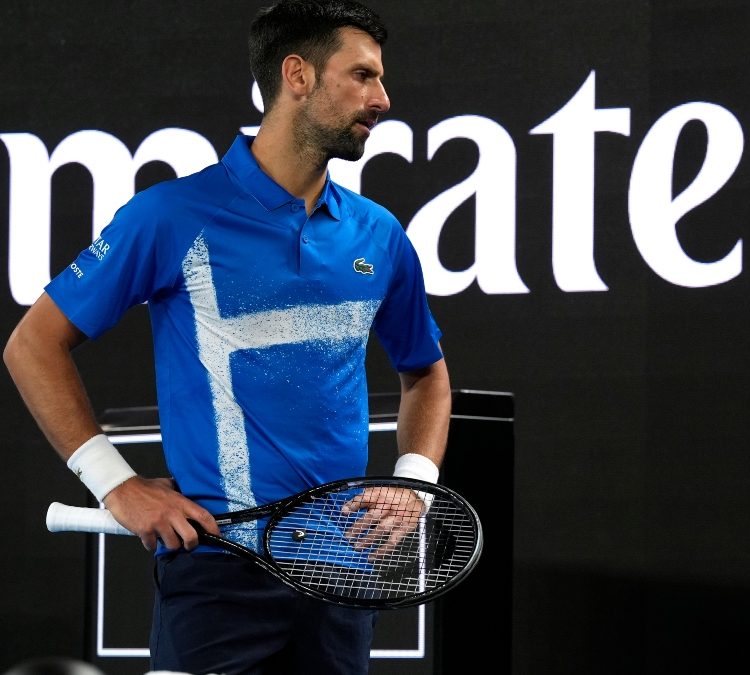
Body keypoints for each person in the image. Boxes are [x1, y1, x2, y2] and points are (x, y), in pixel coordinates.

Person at [3, 1, 451, 673]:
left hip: (337, 578)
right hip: (215, 579)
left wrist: (413, 480)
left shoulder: (379, 234)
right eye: (362, 76)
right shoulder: (172, 214)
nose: (382, 99)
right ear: (297, 76)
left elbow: (426, 373)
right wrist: (115, 483)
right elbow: (31, 344)